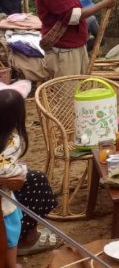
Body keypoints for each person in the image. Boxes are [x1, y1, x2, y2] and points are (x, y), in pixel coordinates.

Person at [0, 79, 31, 268]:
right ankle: (11, 264)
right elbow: (6, 170)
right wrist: (22, 170)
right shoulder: (13, 140)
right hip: (4, 201)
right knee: (10, 234)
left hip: (6, 197)